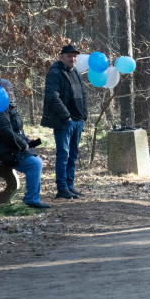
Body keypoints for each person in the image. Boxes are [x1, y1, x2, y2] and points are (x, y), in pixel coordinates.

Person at [0, 78, 49, 210]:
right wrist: (21, 144)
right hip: (2, 151)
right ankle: (31, 200)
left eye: (10, 90)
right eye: (4, 90)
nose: (8, 93)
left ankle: (33, 198)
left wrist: (26, 140)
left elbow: (16, 129)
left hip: (11, 147)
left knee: (36, 161)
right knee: (34, 164)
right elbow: (5, 131)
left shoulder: (8, 107)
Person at [40, 44, 87, 200]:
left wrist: (84, 115)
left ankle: (70, 186)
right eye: (69, 56)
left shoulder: (77, 73)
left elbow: (83, 95)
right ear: (62, 57)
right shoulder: (55, 73)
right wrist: (66, 116)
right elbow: (52, 97)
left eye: (75, 56)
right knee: (63, 155)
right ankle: (62, 188)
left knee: (73, 155)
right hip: (64, 122)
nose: (72, 59)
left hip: (78, 121)